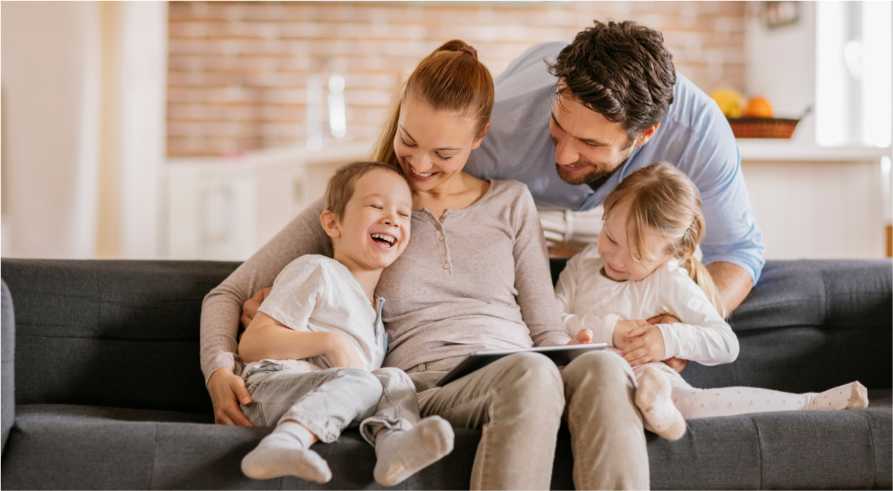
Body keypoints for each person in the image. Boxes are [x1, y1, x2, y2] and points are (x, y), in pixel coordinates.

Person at [202, 39, 647, 490]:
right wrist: (219, 371)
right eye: (408, 141)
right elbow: (229, 293)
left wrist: (575, 347)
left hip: (526, 365)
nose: (418, 163)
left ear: (479, 137)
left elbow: (546, 329)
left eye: (444, 154)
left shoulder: (512, 201)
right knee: (531, 374)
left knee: (607, 369)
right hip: (435, 385)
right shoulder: (367, 205)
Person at [465, 20, 765, 317]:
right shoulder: (498, 121)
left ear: (645, 134)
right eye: (557, 125)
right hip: (521, 205)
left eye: (590, 143)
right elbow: (423, 163)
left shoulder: (698, 132)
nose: (564, 155)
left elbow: (736, 251)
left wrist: (682, 328)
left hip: (619, 220)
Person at [556, 163, 868, 441]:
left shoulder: (668, 279)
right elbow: (549, 318)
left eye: (637, 255)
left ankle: (809, 403)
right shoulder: (583, 264)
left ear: (670, 254)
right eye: (610, 238)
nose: (615, 256)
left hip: (647, 377)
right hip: (587, 379)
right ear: (605, 213)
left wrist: (666, 339)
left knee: (685, 396)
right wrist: (608, 329)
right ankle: (659, 414)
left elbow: (724, 343)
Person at [234, 161, 454, 485]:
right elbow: (252, 344)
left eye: (403, 213)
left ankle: (393, 445)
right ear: (333, 223)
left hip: (330, 398)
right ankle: (285, 441)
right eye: (376, 206)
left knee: (393, 378)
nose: (391, 218)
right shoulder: (317, 270)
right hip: (270, 388)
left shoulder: (376, 318)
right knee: (365, 383)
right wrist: (330, 342)